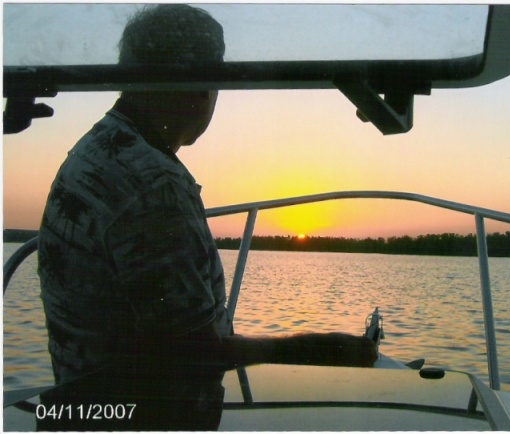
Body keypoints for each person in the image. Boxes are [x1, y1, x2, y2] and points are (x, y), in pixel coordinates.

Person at [37, 5, 376, 429]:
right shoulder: (154, 187)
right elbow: (190, 355)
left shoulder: (95, 150)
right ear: (201, 84)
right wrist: (315, 350)